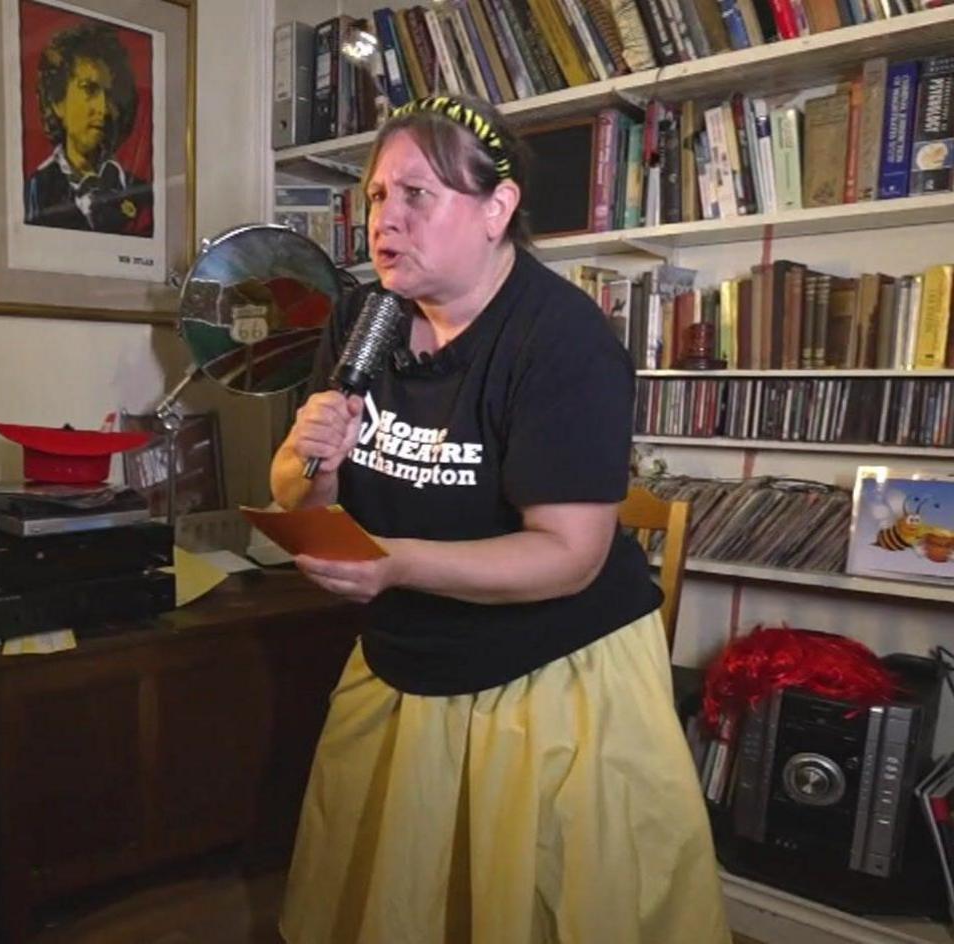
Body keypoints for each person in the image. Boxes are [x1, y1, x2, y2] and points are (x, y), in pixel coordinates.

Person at [269, 95, 729, 944]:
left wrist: (394, 563)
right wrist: (308, 465)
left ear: (497, 210)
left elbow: (569, 556)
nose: (385, 220)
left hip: (552, 672)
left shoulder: (564, 342)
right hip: (408, 655)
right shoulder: (363, 317)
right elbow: (301, 489)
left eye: (416, 195)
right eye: (375, 197)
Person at [24, 19, 154, 235]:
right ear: (58, 101)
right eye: (89, 89)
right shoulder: (33, 192)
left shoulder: (145, 196)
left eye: (110, 94)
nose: (102, 108)